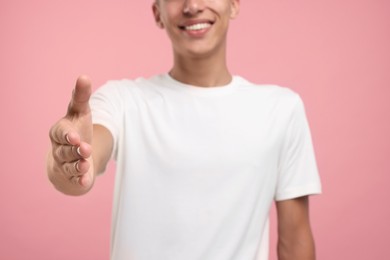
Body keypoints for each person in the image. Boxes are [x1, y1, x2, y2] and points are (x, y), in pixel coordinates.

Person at [47, 0, 321, 259]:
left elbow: (295, 240)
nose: (192, 6)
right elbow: (87, 157)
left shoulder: (281, 109)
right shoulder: (123, 100)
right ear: (157, 13)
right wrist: (70, 159)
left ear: (234, 3)